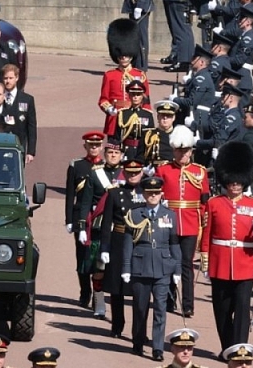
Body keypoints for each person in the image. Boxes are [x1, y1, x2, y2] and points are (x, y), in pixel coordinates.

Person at [201, 141, 253, 354]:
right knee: (221, 310)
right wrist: (205, 260)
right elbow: (207, 235)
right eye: (232, 181)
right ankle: (227, 347)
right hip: (220, 263)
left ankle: (239, 349)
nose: (235, 185)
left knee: (241, 309)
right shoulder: (214, 203)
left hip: (244, 262)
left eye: (239, 181)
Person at [123, 176, 181, 361]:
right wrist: (126, 267)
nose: (153, 196)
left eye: (156, 193)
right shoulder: (134, 214)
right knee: (140, 308)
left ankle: (157, 348)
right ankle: (138, 341)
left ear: (161, 194)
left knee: (160, 309)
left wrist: (177, 269)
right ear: (144, 194)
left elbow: (174, 244)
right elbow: (127, 244)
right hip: (140, 266)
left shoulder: (169, 214)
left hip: (163, 267)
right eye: (149, 193)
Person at [156, 125, 209, 318]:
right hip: (168, 221)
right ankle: (169, 299)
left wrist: (203, 222)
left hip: (190, 222)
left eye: (185, 150)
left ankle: (188, 305)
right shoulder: (163, 170)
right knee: (168, 262)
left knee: (186, 264)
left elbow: (204, 201)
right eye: (179, 150)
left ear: (191, 151)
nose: (182, 154)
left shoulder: (199, 172)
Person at [99, 158, 146, 338]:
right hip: (118, 240)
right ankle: (117, 325)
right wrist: (105, 247)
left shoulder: (149, 192)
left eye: (136, 173)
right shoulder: (115, 193)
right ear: (124, 174)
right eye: (130, 173)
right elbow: (107, 222)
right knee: (117, 287)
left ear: (142, 173)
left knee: (140, 289)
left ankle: (139, 330)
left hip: (140, 241)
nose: (133, 176)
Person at [77, 137, 122, 319]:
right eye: (110, 153)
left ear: (121, 155)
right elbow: (86, 201)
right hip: (99, 225)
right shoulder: (96, 174)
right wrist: (81, 226)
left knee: (118, 268)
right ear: (105, 154)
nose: (113, 156)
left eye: (116, 153)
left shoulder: (126, 174)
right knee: (99, 268)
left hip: (119, 225)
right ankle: (100, 304)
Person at [65, 131, 105, 309]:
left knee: (98, 258)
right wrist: (68, 220)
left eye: (97, 145)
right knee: (82, 256)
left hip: (100, 217)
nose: (94, 148)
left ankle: (98, 295)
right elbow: (70, 194)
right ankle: (84, 291)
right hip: (81, 217)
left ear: (102, 147)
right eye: (91, 145)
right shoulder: (77, 165)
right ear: (85, 146)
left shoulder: (106, 167)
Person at [99, 18, 150, 136]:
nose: (123, 58)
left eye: (126, 55)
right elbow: (103, 99)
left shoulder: (140, 75)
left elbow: (146, 100)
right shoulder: (109, 75)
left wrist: (146, 119)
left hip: (135, 118)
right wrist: (109, 109)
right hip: (115, 118)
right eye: (121, 56)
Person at [175, 45, 216, 141]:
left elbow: (192, 101)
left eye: (194, 58)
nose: (192, 61)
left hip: (198, 117)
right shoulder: (198, 77)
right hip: (195, 115)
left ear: (201, 62)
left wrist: (176, 100)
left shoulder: (201, 78)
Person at [2, 64, 37, 164]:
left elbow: (31, 126)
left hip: (18, 147)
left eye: (11, 78)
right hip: (1, 147)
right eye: (5, 78)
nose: (8, 81)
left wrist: (31, 151)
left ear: (16, 78)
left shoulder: (27, 99)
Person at [113, 79, 154, 160]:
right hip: (127, 150)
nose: (135, 97)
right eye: (133, 94)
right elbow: (117, 136)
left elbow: (151, 136)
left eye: (138, 94)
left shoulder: (147, 114)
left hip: (142, 150)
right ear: (129, 95)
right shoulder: (122, 114)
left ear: (142, 96)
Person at [138, 100, 178, 166]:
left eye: (168, 115)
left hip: (172, 169)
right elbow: (140, 156)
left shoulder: (178, 135)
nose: (165, 118)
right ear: (158, 117)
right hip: (153, 169)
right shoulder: (148, 135)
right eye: (162, 115)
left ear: (173, 118)